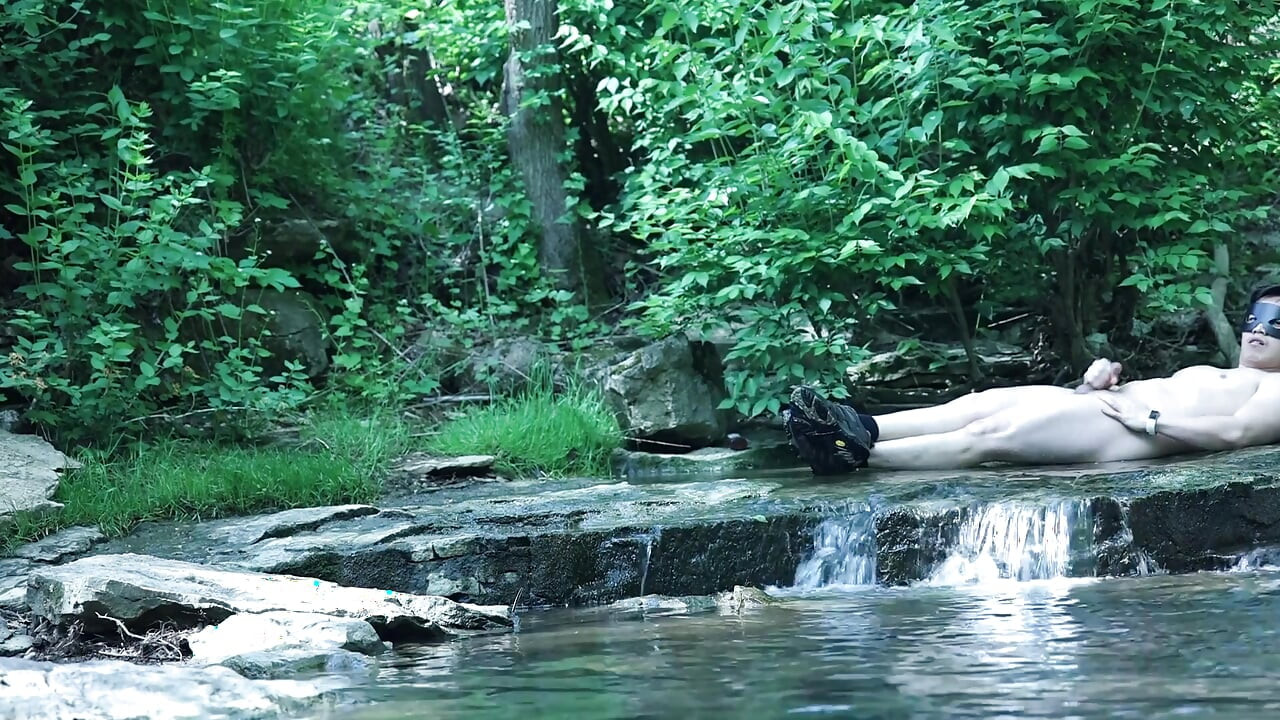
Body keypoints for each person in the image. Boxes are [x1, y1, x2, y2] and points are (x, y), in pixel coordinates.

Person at [784, 285, 1280, 474]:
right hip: (1104, 407)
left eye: (1276, 325)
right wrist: (1098, 382)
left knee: (990, 435)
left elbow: (1236, 433)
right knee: (980, 402)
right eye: (1255, 319)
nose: (1259, 330)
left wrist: (1149, 420)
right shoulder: (1218, 370)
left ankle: (855, 456)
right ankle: (861, 426)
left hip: (1128, 431)